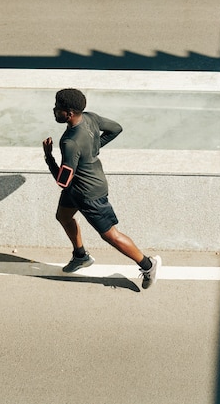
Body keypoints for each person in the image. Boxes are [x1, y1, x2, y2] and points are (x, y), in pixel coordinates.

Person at [43, 88, 161, 289]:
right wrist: (93, 148)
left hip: (89, 193)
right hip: (76, 189)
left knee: (110, 235)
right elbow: (116, 129)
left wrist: (49, 157)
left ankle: (148, 265)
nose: (54, 110)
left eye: (58, 108)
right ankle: (80, 256)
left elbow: (62, 180)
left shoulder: (69, 142)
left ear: (69, 113)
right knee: (63, 216)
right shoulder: (90, 118)